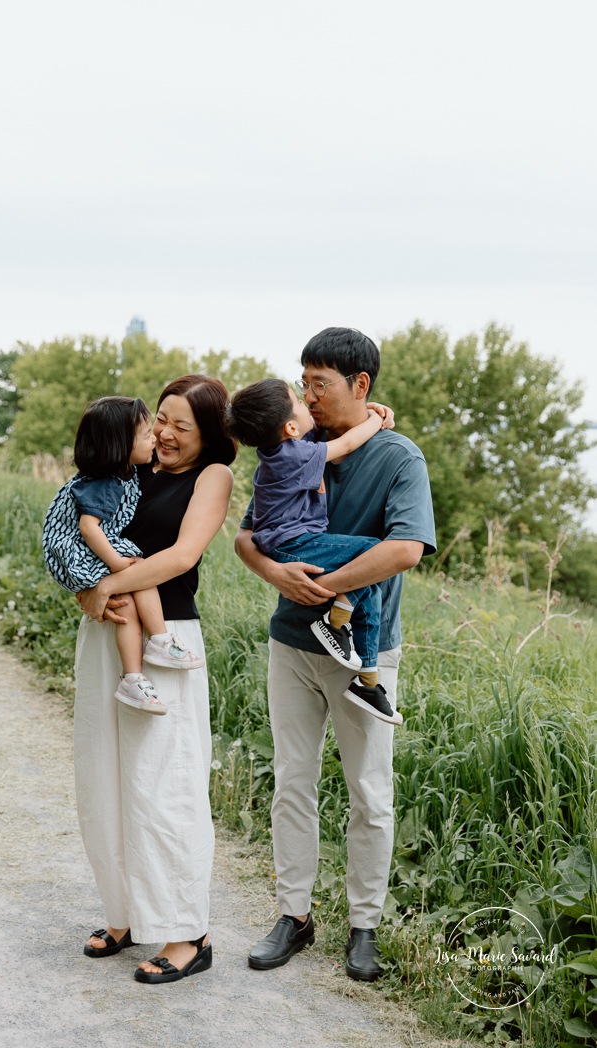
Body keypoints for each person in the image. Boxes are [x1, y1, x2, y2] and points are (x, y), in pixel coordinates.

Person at [235, 328, 436, 981]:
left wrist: (321, 583)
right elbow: (246, 540)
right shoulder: (293, 446)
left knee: (369, 795)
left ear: (361, 386)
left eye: (319, 382)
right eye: (304, 381)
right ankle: (293, 916)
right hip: (290, 644)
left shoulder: (400, 458)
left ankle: (364, 927)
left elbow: (404, 549)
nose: (308, 394)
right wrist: (280, 578)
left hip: (364, 657)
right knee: (292, 782)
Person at [73, 375, 236, 984]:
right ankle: (124, 914)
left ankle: (186, 929)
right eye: (160, 419)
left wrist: (106, 586)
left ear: (210, 435)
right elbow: (82, 535)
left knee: (165, 782)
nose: (165, 433)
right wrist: (87, 597)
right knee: (104, 775)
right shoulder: (127, 469)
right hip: (108, 633)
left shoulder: (211, 477)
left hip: (168, 642)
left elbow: (180, 557)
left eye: (182, 426)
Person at [225, 378, 401, 725]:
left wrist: (369, 409)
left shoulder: (279, 450)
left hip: (287, 544)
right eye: (301, 402)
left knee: (368, 597)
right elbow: (349, 442)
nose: (309, 402)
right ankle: (335, 617)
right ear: (290, 427)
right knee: (373, 552)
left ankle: (367, 679)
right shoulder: (296, 455)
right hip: (295, 546)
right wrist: (375, 421)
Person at [42, 395, 204, 717]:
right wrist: (116, 564)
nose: (155, 437)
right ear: (120, 447)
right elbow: (89, 528)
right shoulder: (105, 482)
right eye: (147, 435)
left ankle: (133, 676)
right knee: (138, 569)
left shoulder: (121, 473)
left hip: (85, 549)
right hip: (77, 549)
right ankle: (159, 640)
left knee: (128, 598)